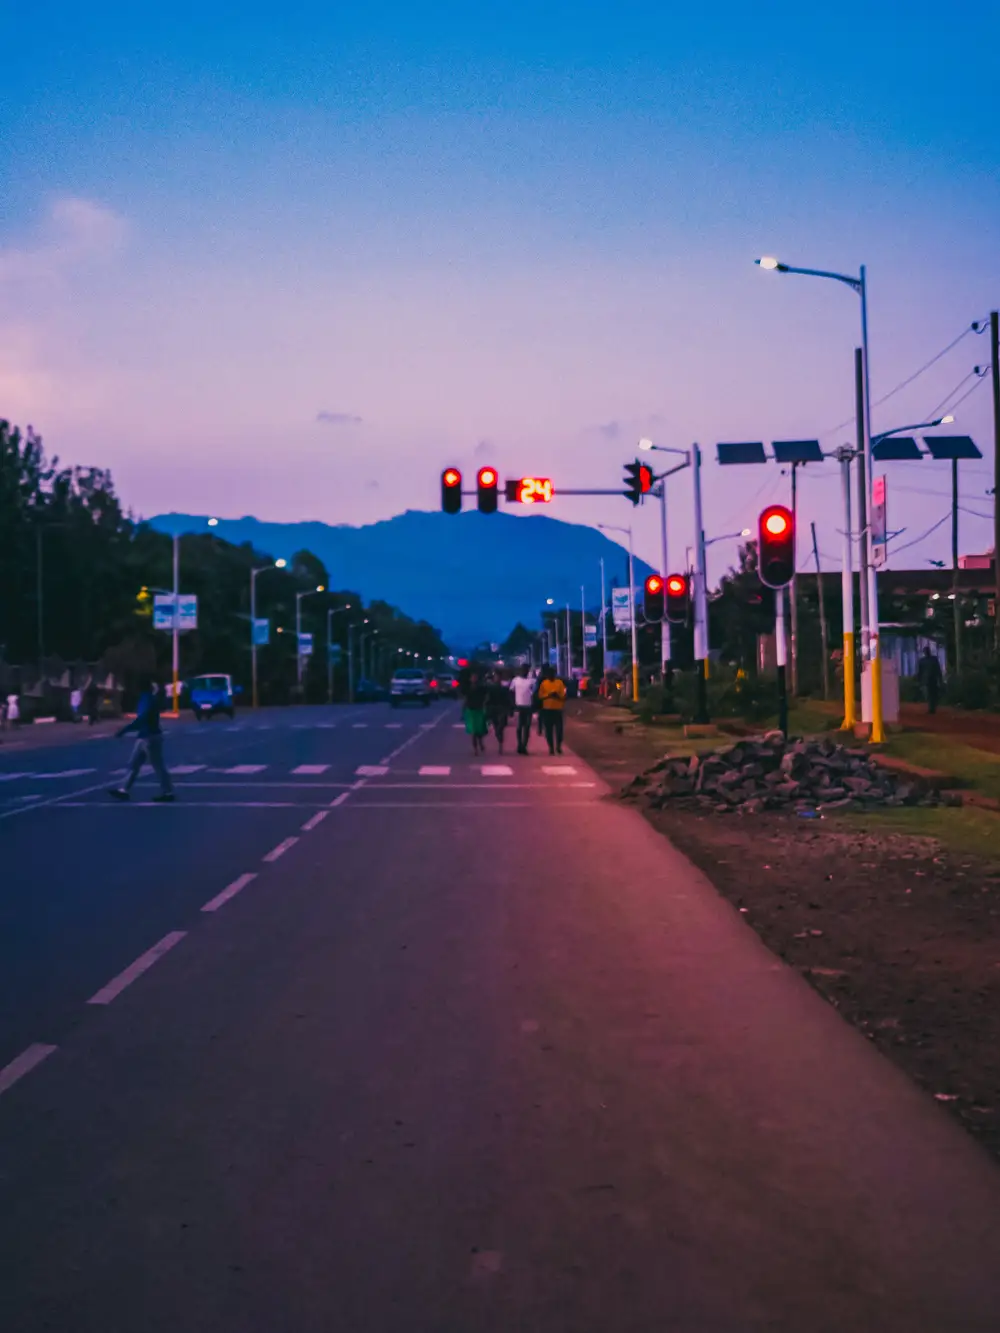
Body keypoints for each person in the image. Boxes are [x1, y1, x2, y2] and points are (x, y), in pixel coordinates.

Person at [108, 678, 175, 802]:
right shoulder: (150, 698)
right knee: (134, 764)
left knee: (157, 765)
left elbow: (142, 718)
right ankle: (123, 789)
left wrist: (125, 730)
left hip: (148, 736)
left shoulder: (146, 699)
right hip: (147, 736)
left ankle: (168, 791)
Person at [538, 664, 567, 755]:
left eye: (553, 673)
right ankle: (551, 747)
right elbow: (540, 696)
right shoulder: (544, 683)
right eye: (549, 674)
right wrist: (549, 695)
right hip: (547, 710)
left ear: (555, 674)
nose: (551, 675)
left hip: (558, 709)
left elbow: (563, 696)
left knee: (559, 730)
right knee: (548, 730)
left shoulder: (559, 683)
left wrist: (557, 696)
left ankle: (558, 746)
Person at [462, 671, 489, 756]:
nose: (474, 679)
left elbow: (487, 696)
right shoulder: (467, 688)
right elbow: (465, 699)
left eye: (475, 677)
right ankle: (475, 749)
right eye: (472, 677)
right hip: (471, 711)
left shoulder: (481, 688)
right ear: (470, 679)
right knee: (473, 731)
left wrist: (485, 705)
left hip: (479, 710)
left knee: (480, 731)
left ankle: (480, 742)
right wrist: (463, 710)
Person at [486, 672, 513, 753]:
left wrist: (510, 710)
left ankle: (500, 738)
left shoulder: (504, 688)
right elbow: (487, 699)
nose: (497, 679)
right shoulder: (490, 688)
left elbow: (509, 699)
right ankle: (500, 740)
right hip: (493, 708)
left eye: (498, 677)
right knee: (496, 726)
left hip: (502, 708)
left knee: (501, 725)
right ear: (494, 679)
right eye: (496, 677)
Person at [511, 664, 535, 755]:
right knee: (519, 727)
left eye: (526, 669)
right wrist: (513, 705)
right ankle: (519, 744)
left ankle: (524, 745)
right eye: (523, 669)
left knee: (527, 727)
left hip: (528, 707)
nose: (524, 671)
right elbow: (511, 692)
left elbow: (534, 693)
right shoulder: (515, 680)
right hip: (519, 706)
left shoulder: (532, 681)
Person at [918, 646, 943, 715]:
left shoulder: (933, 659)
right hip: (926, 680)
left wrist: (940, 679)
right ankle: (932, 707)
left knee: (933, 694)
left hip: (932, 679)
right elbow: (920, 671)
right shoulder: (922, 661)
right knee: (929, 694)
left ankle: (932, 708)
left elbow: (938, 670)